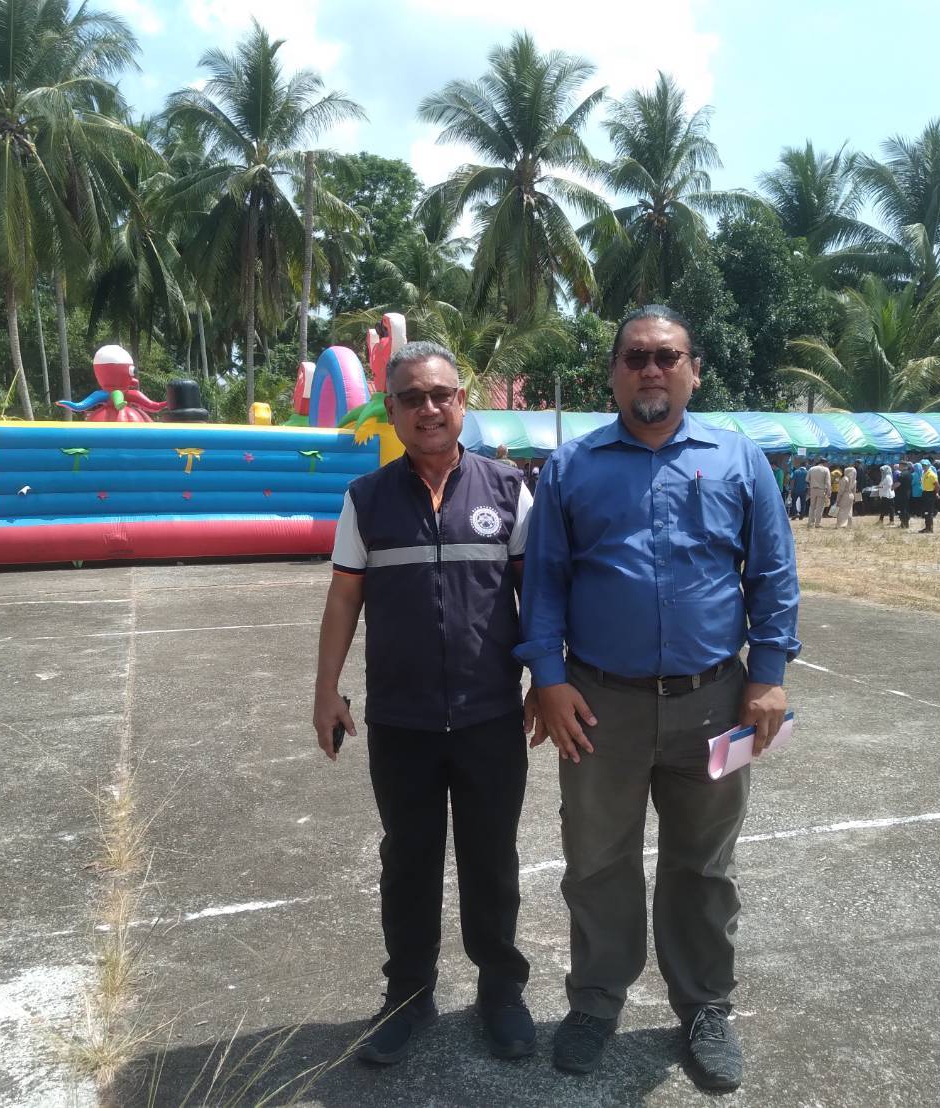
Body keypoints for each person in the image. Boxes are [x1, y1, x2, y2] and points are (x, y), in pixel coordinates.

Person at [518, 305, 800, 1091]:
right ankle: (595, 1002)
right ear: (612, 373)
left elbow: (771, 572)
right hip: (597, 707)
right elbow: (543, 582)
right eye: (635, 356)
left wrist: (767, 673)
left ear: (692, 371)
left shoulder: (738, 460)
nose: (651, 369)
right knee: (595, 861)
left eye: (667, 356)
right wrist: (547, 679)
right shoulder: (571, 468)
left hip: (715, 703)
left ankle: (705, 1005)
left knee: (703, 864)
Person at [312, 341, 538, 1065]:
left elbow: (536, 595)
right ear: (392, 409)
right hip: (400, 720)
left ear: (462, 402)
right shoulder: (366, 499)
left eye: (441, 394)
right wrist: (325, 690)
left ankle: (500, 991)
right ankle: (407, 996)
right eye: (412, 397)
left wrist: (547, 680)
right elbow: (344, 597)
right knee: (407, 862)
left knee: (491, 860)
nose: (428, 408)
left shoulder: (508, 489)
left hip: (490, 716)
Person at [806, 457, 831, 529]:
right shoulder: (826, 469)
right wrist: (829, 491)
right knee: (820, 507)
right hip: (821, 490)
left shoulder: (812, 469)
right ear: (825, 463)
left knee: (812, 506)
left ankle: (810, 522)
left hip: (812, 489)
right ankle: (817, 523)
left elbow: (807, 479)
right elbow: (828, 482)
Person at [919, 459, 940, 533]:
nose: (923, 466)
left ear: (929, 466)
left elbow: (937, 486)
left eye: (925, 465)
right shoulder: (924, 473)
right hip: (925, 493)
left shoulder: (931, 474)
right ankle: (927, 527)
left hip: (930, 493)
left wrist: (936, 493)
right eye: (923, 465)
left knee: (929, 511)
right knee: (926, 511)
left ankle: (930, 528)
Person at [894, 461, 913, 529]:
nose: (899, 467)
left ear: (902, 466)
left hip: (901, 494)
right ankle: (905, 523)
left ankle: (904, 523)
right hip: (908, 493)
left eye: (899, 466)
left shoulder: (902, 474)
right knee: (906, 508)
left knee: (902, 509)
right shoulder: (909, 473)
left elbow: (898, 484)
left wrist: (892, 488)